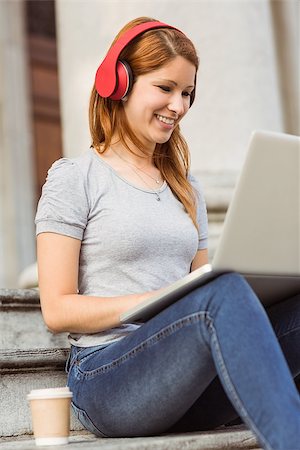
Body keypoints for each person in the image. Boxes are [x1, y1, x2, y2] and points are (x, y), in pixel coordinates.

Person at [35, 16, 300, 450]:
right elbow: (57, 308)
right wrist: (155, 301)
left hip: (185, 381)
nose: (178, 105)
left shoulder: (185, 187)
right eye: (165, 88)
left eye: (187, 93)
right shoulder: (75, 178)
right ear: (119, 83)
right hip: (106, 377)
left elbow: (205, 288)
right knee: (223, 292)